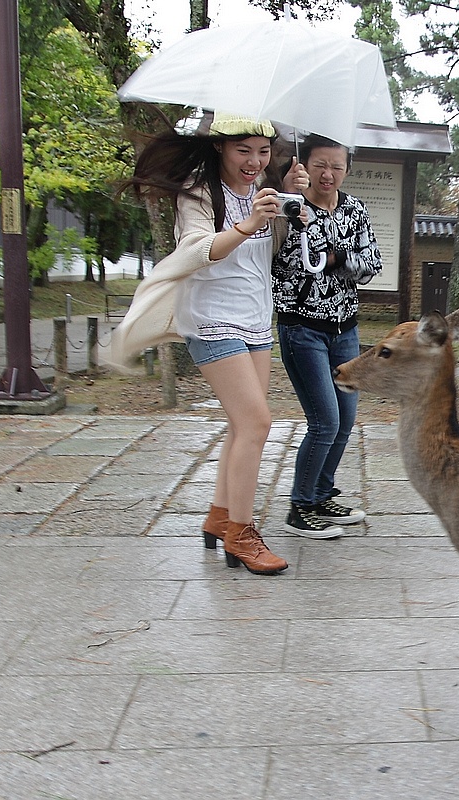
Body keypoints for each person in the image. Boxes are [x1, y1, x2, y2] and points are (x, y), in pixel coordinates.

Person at [105, 112, 308, 574]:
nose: (255, 161)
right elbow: (197, 249)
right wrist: (247, 224)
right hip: (212, 319)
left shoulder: (265, 190)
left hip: (255, 318)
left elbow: (276, 249)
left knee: (243, 427)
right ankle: (242, 534)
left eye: (263, 150)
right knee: (257, 423)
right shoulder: (200, 191)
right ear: (219, 147)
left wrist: (293, 197)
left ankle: (219, 518)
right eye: (243, 151)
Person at [272, 134, 381, 537]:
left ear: (347, 169)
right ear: (305, 165)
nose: (328, 174)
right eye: (320, 164)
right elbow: (280, 270)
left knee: (346, 420)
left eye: (337, 166)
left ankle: (319, 493)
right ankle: (299, 508)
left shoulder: (354, 209)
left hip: (345, 330)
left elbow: (372, 263)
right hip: (302, 329)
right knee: (325, 421)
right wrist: (293, 217)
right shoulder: (290, 208)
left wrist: (336, 258)